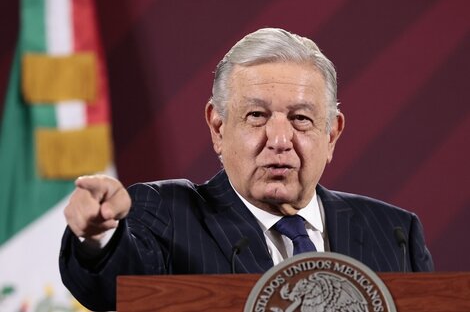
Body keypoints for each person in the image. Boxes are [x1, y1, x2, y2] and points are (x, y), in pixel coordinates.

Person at [59, 28, 434, 311]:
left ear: (331, 133)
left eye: (301, 119)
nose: (279, 139)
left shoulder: (395, 233)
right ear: (218, 128)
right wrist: (99, 235)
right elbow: (114, 287)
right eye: (257, 116)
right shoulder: (165, 214)